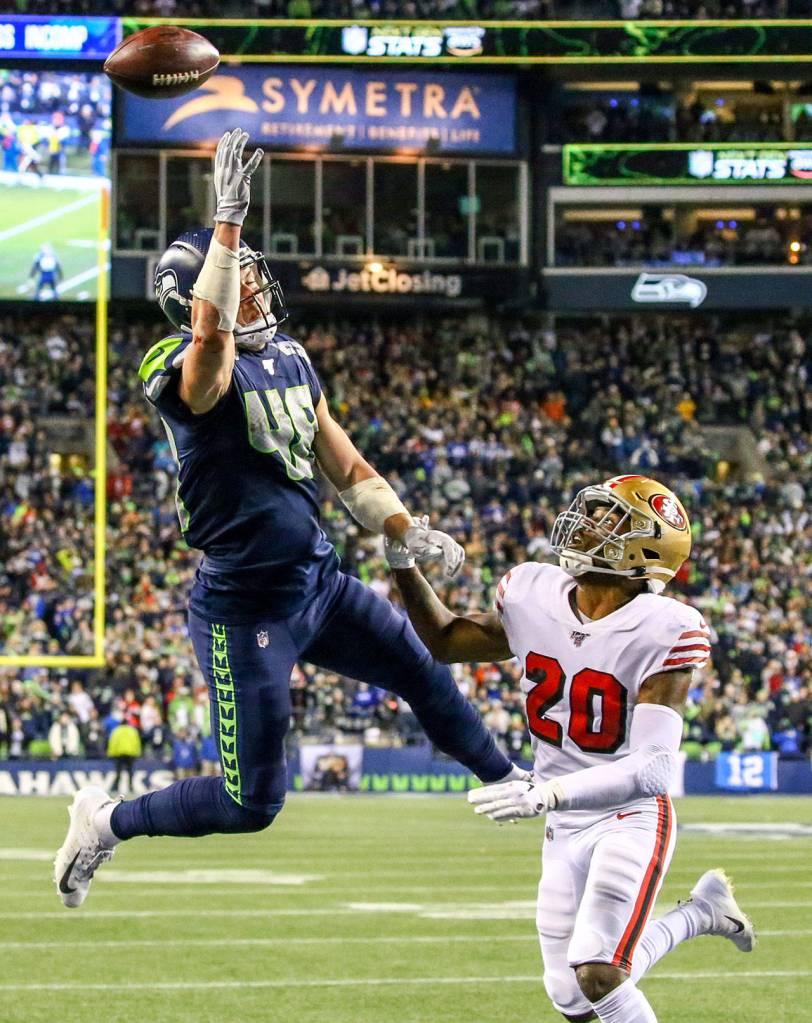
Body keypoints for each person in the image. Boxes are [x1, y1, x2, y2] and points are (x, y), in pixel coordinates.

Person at [54, 128, 519, 908]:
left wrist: (407, 529)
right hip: (245, 606)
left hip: (319, 582)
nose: (259, 290)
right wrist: (225, 222)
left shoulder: (294, 359)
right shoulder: (174, 368)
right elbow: (210, 348)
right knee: (252, 804)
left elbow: (350, 470)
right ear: (198, 295)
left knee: (422, 669)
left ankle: (517, 787)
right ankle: (104, 822)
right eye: (241, 280)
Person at [385, 474, 755, 1023]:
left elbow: (653, 768)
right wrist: (402, 564)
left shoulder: (666, 628)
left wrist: (549, 792)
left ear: (645, 551)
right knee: (571, 996)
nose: (584, 525)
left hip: (629, 815)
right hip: (564, 817)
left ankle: (699, 914)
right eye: (591, 513)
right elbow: (443, 641)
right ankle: (700, 913)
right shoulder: (535, 593)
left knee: (600, 973)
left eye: (608, 522)